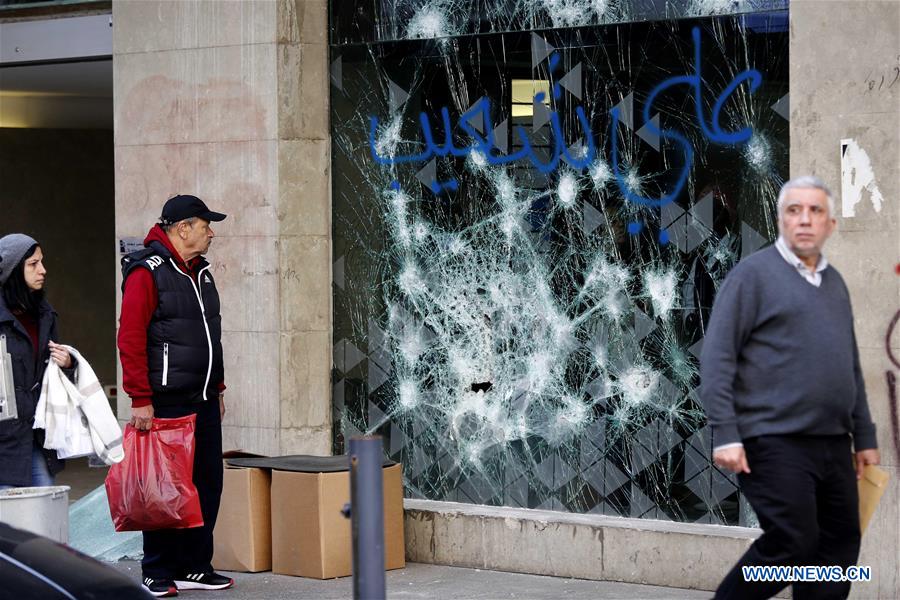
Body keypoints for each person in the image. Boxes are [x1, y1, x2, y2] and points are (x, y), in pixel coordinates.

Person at [701, 176, 880, 599]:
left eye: (815, 211)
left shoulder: (834, 283)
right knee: (793, 543)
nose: (804, 220)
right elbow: (718, 356)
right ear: (781, 220)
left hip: (833, 444)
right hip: (772, 440)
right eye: (793, 211)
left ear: (830, 224)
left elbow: (848, 365)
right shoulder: (753, 276)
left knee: (838, 547)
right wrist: (726, 432)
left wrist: (865, 436)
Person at [118, 195, 232, 598]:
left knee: (206, 484)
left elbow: (210, 337)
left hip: (202, 399)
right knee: (164, 488)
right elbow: (130, 337)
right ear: (183, 228)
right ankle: (157, 570)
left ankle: (195, 566)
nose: (211, 232)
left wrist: (216, 387)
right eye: (205, 225)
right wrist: (139, 398)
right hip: (164, 401)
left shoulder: (200, 272)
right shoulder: (146, 272)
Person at [0, 234, 73, 489]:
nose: (42, 270)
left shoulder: (45, 314)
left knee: (44, 518)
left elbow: (49, 371)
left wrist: (67, 363)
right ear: (12, 269)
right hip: (4, 440)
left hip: (38, 435)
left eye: (41, 262)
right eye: (33, 264)